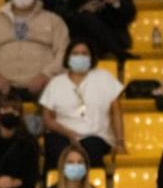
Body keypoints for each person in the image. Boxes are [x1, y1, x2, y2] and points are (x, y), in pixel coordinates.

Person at [39, 40, 125, 169]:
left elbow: (116, 112)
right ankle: (54, 187)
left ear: (91, 57)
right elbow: (47, 119)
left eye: (84, 54)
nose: (80, 57)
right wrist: (68, 133)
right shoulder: (56, 83)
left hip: (96, 136)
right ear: (68, 57)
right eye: (76, 54)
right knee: (54, 146)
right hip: (64, 135)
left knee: (91, 148)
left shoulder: (104, 78)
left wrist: (120, 142)